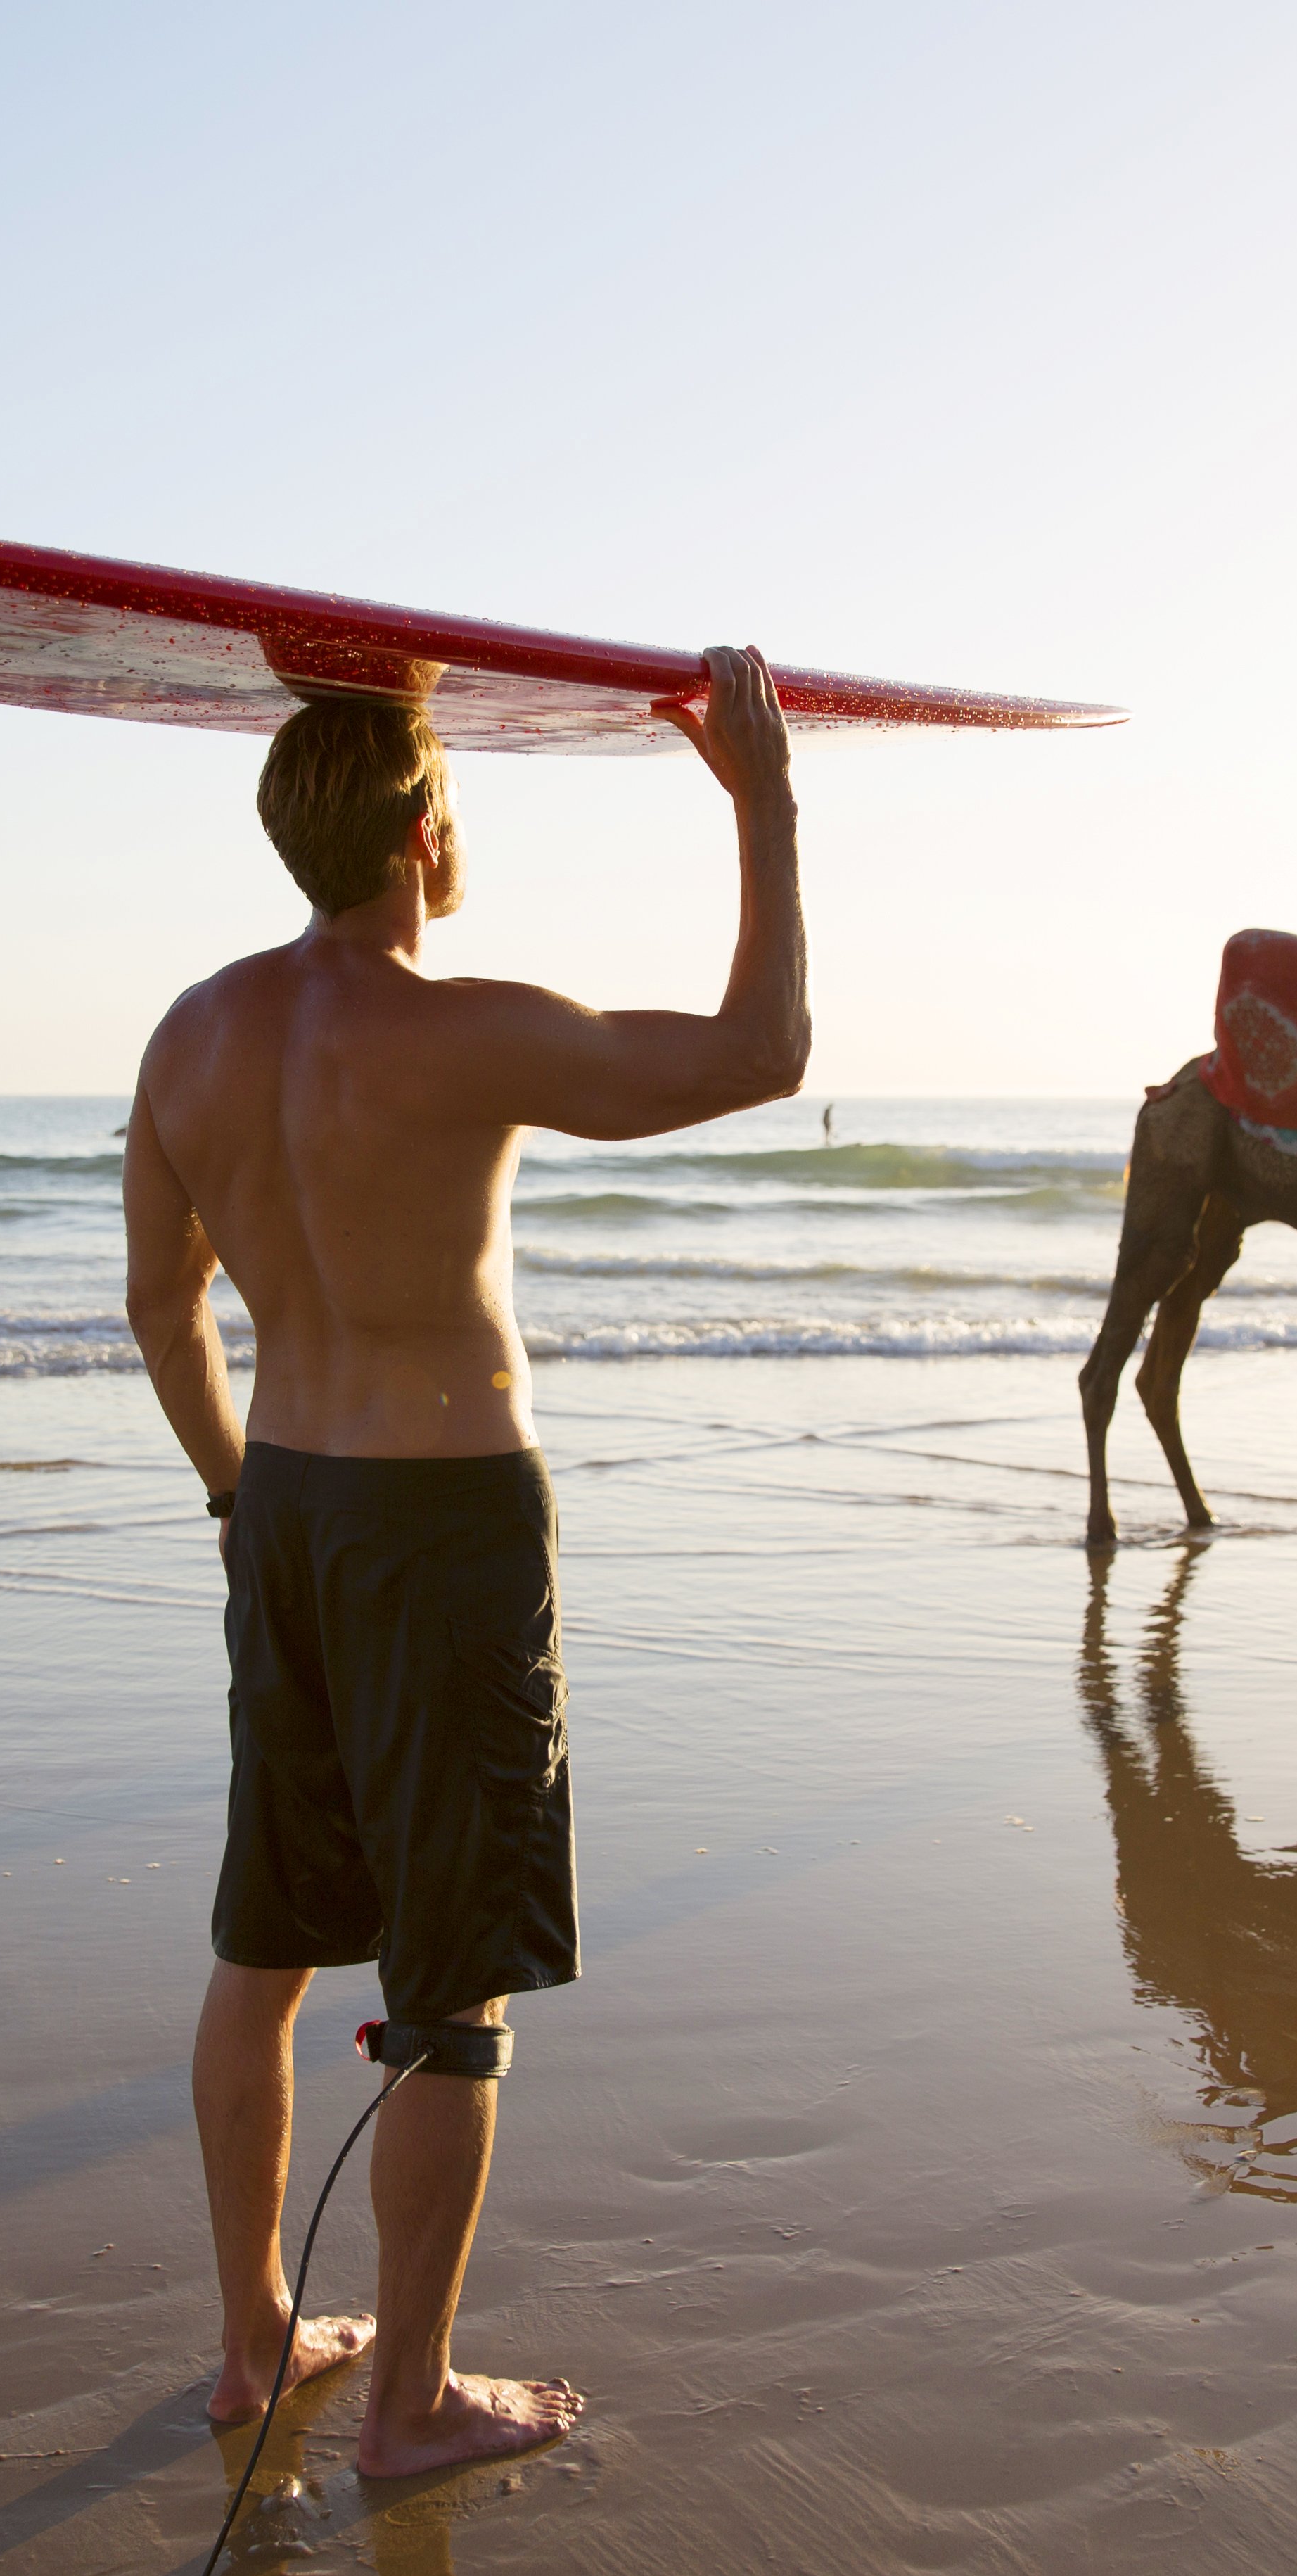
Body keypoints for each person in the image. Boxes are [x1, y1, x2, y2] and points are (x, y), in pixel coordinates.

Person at [120, 647, 807, 2477]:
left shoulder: (187, 1036)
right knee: (448, 1981)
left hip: (285, 1503)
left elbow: (161, 1310)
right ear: (423, 830)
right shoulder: (459, 1028)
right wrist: (762, 802)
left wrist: (231, 1495)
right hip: (442, 1521)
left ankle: (253, 2336)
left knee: (264, 1941)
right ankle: (411, 2397)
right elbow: (759, 1055)